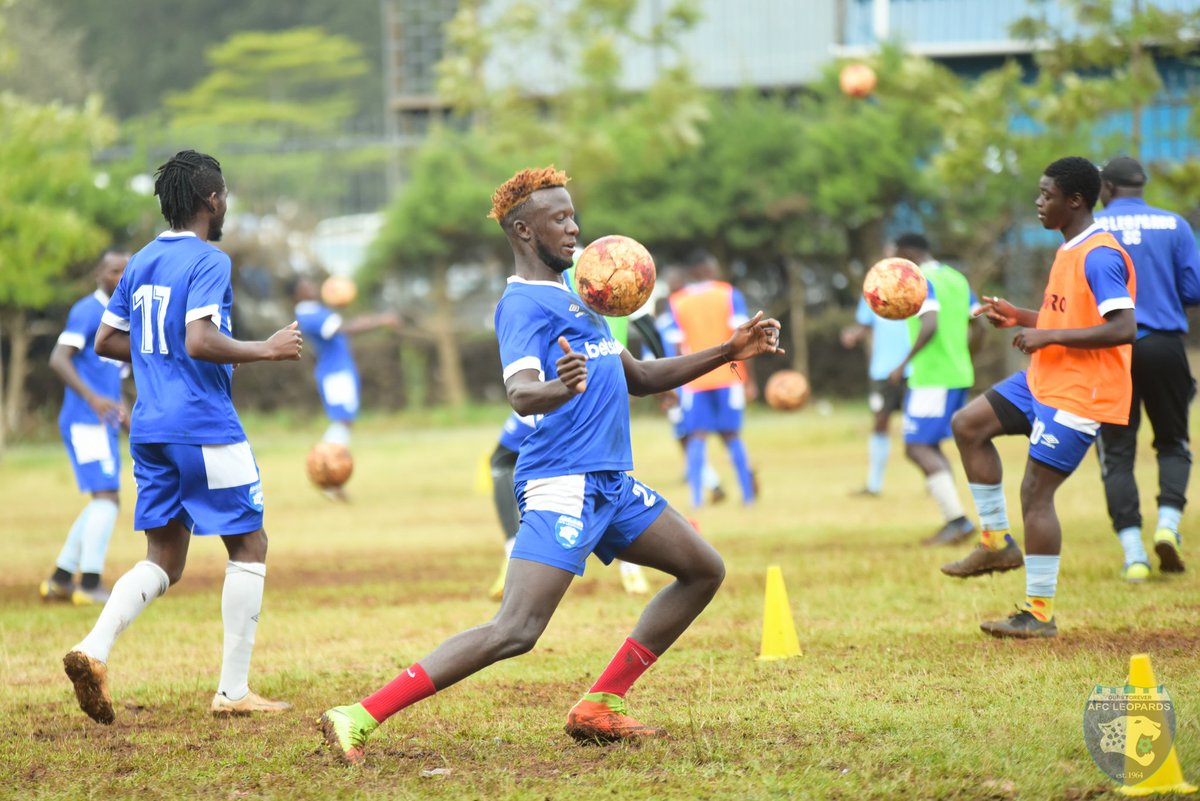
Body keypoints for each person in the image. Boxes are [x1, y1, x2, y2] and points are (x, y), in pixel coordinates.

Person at [320, 166, 782, 765]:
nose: (574, 228)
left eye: (573, 215)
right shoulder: (521, 307)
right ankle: (357, 715)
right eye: (558, 219)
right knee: (515, 630)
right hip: (561, 481)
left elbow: (638, 376)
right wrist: (560, 389)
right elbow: (521, 395)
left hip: (610, 482)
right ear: (521, 230)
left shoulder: (580, 298)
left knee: (702, 569)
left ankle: (600, 704)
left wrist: (728, 350)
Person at [62, 150, 304, 724]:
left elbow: (106, 341)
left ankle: (93, 649)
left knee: (165, 560)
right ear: (211, 200)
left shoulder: (142, 259)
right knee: (249, 544)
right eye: (225, 198)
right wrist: (264, 348)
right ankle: (234, 690)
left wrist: (162, 357)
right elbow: (198, 339)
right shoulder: (209, 259)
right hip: (203, 426)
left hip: (149, 430)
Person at [942, 156, 1136, 639]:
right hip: (1043, 380)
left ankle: (1039, 614)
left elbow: (1124, 327)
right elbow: (1070, 315)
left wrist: (1048, 339)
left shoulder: (1100, 254)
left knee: (1035, 492)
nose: (1038, 202)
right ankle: (995, 543)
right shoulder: (1070, 247)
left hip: (1080, 391)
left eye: (1046, 195)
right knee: (968, 425)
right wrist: (1024, 317)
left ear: (1074, 201)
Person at [1093, 156, 1200, 581]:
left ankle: (1134, 553)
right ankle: (1169, 527)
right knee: (1173, 441)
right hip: (1165, 346)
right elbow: (1194, 288)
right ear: (1141, 185)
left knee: (1117, 454)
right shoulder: (1175, 225)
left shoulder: (1092, 229)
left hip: (1112, 350)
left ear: (1107, 188)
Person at [40, 251, 131, 606]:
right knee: (107, 499)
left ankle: (61, 579)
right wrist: (93, 399)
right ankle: (89, 583)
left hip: (103, 421)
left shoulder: (124, 319)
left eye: (127, 270)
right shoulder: (87, 311)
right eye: (114, 270)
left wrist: (123, 412)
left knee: (103, 500)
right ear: (98, 274)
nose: (121, 276)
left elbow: (113, 380)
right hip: (84, 419)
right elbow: (58, 359)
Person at [486, 410, 651, 599]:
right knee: (601, 470)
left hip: (557, 400)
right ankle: (631, 569)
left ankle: (512, 555)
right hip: (597, 406)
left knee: (501, 462)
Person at [887, 233, 983, 546]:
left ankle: (957, 520)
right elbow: (979, 326)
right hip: (958, 374)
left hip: (932, 378)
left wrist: (904, 362)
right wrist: (964, 356)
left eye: (899, 256)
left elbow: (929, 324)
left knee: (917, 447)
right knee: (931, 446)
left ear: (909, 252)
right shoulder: (956, 277)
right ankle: (954, 517)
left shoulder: (920, 280)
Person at [668, 250, 758, 508]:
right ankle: (748, 497)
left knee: (696, 437)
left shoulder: (678, 301)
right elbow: (744, 338)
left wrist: (677, 382)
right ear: (706, 269)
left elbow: (676, 349)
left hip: (694, 380)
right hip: (729, 376)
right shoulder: (728, 294)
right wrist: (748, 379)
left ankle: (696, 498)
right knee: (732, 435)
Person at [292, 276, 398, 452]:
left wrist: (365, 320)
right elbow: (344, 329)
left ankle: (329, 461)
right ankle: (323, 461)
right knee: (343, 419)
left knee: (346, 419)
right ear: (297, 294)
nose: (313, 286)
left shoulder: (317, 310)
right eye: (306, 285)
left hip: (340, 369)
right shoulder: (308, 314)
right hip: (334, 371)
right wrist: (380, 321)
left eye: (312, 282)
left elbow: (344, 326)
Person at [840, 286, 911, 497]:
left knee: (918, 425)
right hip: (883, 371)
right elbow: (865, 324)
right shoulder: (875, 289)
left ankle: (933, 479)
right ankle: (874, 485)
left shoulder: (916, 286)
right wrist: (852, 335)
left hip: (914, 370)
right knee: (880, 422)